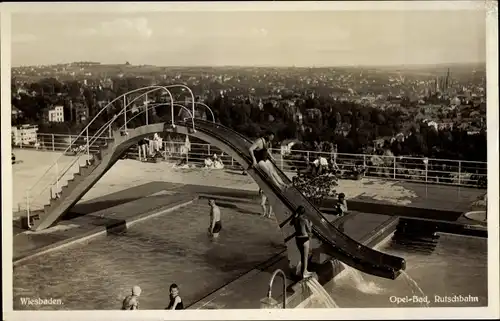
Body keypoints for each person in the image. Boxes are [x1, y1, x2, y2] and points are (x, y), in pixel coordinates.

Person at [289, 205, 313, 279]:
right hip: (304, 239)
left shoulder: (295, 219)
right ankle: (305, 272)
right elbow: (309, 230)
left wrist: (295, 215)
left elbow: (290, 223)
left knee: (302, 255)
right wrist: (311, 224)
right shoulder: (304, 220)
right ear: (304, 213)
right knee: (305, 257)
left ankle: (302, 271)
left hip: (297, 239)